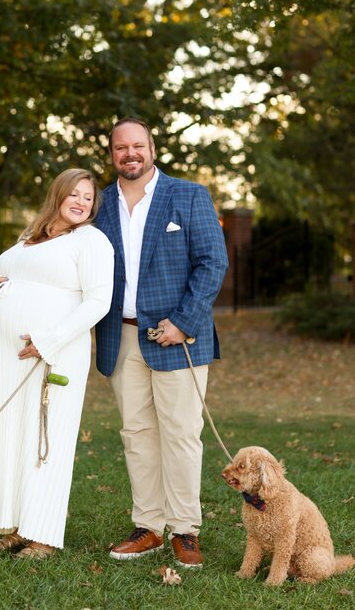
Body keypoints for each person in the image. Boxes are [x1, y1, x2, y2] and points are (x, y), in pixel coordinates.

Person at [94, 118, 228, 567]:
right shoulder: (99, 205)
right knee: (137, 435)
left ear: (152, 147)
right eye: (120, 148)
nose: (129, 153)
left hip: (177, 337)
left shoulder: (188, 195)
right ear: (111, 154)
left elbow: (212, 262)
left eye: (137, 145)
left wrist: (185, 322)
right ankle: (148, 526)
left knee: (182, 435)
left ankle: (185, 529)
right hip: (120, 334)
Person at [0, 168, 114, 559]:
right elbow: (10, 280)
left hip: (55, 351)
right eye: (75, 194)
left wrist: (47, 340)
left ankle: (44, 535)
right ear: (58, 195)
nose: (81, 202)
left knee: (45, 438)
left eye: (88, 198)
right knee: (13, 435)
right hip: (9, 358)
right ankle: (19, 523)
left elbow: (97, 302)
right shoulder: (28, 236)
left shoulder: (91, 241)